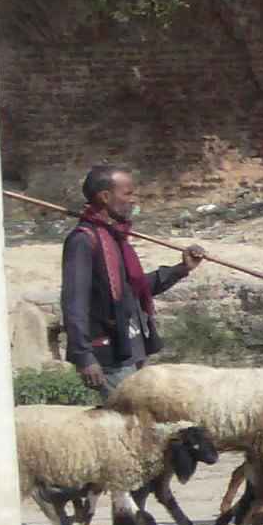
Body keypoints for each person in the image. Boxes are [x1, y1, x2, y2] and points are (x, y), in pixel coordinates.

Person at [61, 166, 204, 394]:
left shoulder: (114, 236)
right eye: (127, 194)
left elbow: (134, 289)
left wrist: (181, 269)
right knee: (124, 425)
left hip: (132, 346)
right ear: (105, 197)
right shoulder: (84, 241)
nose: (133, 200)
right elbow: (74, 303)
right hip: (110, 354)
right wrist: (83, 357)